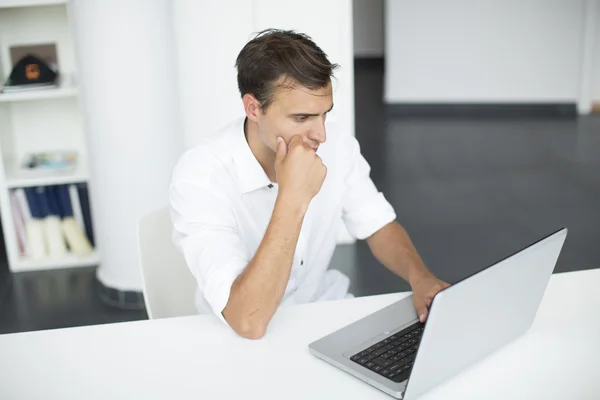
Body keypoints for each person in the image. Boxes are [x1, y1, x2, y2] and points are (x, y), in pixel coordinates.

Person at [169, 29, 449, 340]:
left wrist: (419, 277)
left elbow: (377, 224)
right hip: (238, 338)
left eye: (324, 115)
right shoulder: (201, 175)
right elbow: (248, 321)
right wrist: (293, 198)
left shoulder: (337, 142)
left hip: (323, 313)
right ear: (253, 108)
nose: (321, 135)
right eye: (301, 118)